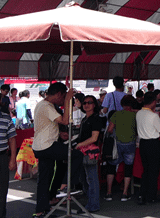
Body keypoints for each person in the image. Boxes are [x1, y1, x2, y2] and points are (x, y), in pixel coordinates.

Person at [32, 82, 83, 217]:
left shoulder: (42, 105)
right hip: (47, 145)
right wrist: (67, 101)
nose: (62, 100)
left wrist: (59, 133)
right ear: (60, 94)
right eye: (63, 97)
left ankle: (41, 209)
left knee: (45, 178)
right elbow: (65, 121)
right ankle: (66, 185)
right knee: (76, 155)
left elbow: (47, 126)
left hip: (41, 146)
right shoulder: (46, 106)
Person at [104, 95, 138, 202]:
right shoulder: (134, 115)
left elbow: (109, 129)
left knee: (111, 166)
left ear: (122, 104)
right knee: (128, 167)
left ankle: (109, 192)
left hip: (117, 144)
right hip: (131, 143)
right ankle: (125, 193)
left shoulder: (116, 114)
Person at [75, 95, 103, 213]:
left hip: (90, 152)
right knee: (85, 179)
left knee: (92, 179)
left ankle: (93, 204)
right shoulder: (84, 119)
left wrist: (79, 144)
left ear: (94, 105)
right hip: (82, 152)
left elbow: (94, 137)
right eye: (85, 102)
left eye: (89, 102)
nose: (86, 104)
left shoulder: (96, 119)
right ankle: (90, 203)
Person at [136, 91, 160, 205]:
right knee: (153, 171)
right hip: (152, 144)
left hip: (143, 143)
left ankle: (142, 195)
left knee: (146, 170)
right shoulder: (153, 116)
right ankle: (151, 196)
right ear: (153, 102)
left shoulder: (139, 113)